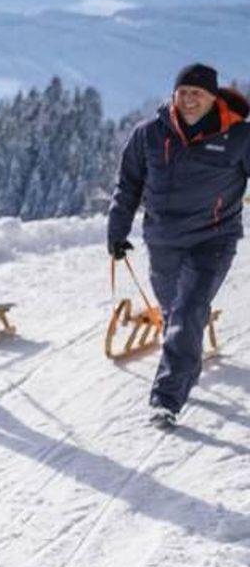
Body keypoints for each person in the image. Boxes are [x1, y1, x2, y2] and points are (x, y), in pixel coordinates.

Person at [107, 63, 250, 428]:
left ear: (213, 98)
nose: (189, 99)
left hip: (213, 239)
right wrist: (117, 230)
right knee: (174, 313)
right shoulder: (149, 134)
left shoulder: (239, 137)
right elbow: (129, 185)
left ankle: (166, 399)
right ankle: (187, 357)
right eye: (183, 92)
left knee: (187, 311)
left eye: (197, 93)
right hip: (163, 240)